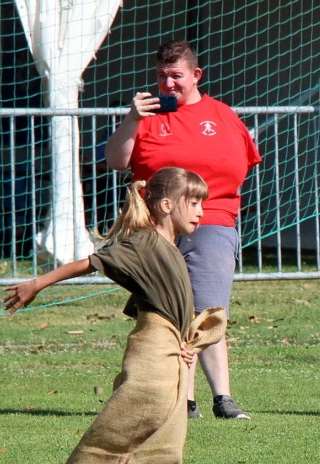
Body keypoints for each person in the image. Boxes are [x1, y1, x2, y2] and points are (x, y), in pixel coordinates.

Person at [4, 168, 227, 464]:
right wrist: (36, 284)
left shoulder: (171, 248)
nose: (200, 212)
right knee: (113, 443)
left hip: (171, 353)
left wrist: (183, 341)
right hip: (151, 361)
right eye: (193, 203)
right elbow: (90, 263)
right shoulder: (142, 243)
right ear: (165, 205)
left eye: (202, 203)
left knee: (167, 455)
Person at [104, 40, 261, 420]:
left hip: (212, 222)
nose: (168, 84)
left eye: (176, 76)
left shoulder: (221, 115)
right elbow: (114, 161)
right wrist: (131, 119)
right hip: (156, 228)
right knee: (167, 310)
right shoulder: (145, 118)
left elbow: (242, 166)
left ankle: (222, 398)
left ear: (196, 76)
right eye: (162, 76)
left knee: (206, 309)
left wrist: (196, 202)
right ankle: (182, 400)